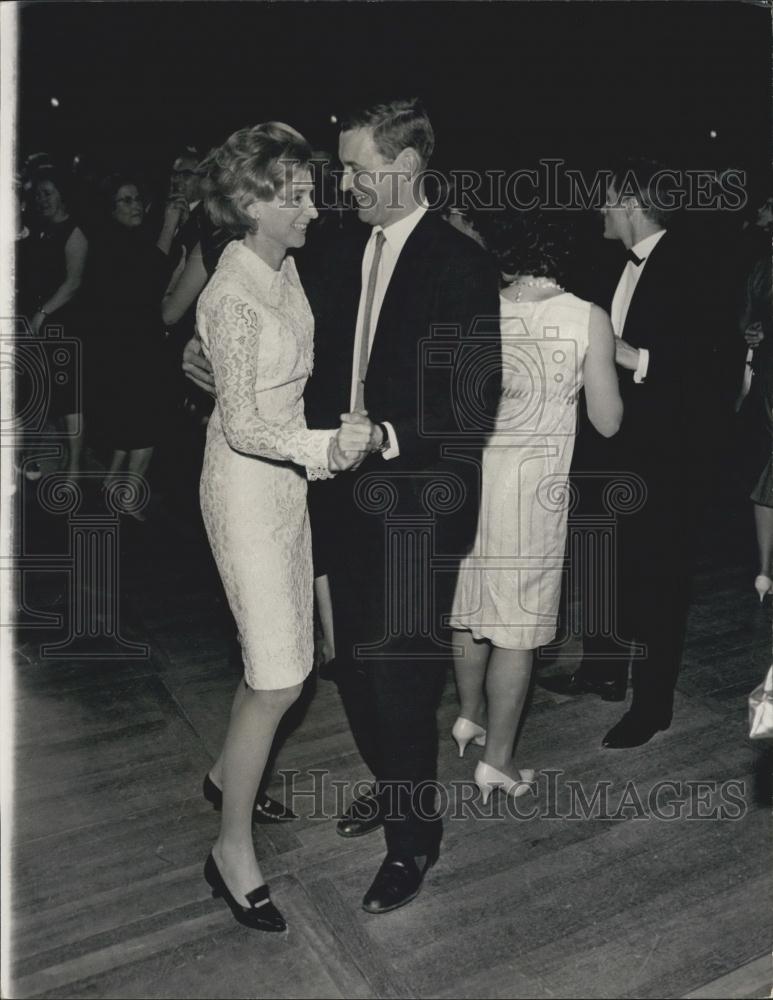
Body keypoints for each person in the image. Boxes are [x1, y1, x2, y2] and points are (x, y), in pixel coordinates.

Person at [184, 98, 501, 913]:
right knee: (354, 670)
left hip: (412, 505)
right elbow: (256, 323)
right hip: (324, 494)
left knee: (399, 677)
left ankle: (412, 839)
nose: (339, 186)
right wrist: (202, 351)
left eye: (356, 170)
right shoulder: (326, 246)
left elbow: (469, 402)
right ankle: (395, 782)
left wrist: (382, 435)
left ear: (401, 171)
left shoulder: (456, 263)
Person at [193, 122, 370, 933]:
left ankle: (226, 771)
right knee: (279, 675)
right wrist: (325, 446)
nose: (311, 207)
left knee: (280, 658)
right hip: (247, 485)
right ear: (253, 202)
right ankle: (230, 851)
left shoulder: (286, 268)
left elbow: (292, 379)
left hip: (288, 488)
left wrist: (319, 445)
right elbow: (242, 425)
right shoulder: (228, 292)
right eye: (295, 195)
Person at [541, 159, 716, 749]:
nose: (598, 211)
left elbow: (704, 370)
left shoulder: (694, 266)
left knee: (659, 581)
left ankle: (654, 705)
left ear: (631, 205)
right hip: (606, 445)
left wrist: (627, 355)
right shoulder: (608, 265)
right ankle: (603, 668)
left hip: (665, 459)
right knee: (602, 562)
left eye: (606, 201)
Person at [448, 209, 622, 799]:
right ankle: (497, 760)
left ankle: (468, 717)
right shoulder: (586, 317)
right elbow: (606, 419)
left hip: (471, 479)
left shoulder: (480, 304)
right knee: (517, 630)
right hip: (533, 490)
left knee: (471, 607)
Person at [84, 174, 184, 515]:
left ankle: (112, 486)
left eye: (138, 198)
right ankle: (128, 498)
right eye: (125, 200)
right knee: (146, 425)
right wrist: (170, 225)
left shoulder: (119, 239)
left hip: (127, 345)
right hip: (133, 347)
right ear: (110, 209)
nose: (135, 205)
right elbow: (150, 279)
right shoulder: (115, 244)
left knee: (128, 423)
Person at [24, 166, 89, 478]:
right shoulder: (41, 229)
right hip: (43, 320)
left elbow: (73, 283)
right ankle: (36, 456)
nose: (42, 199)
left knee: (69, 398)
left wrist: (42, 313)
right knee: (44, 391)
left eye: (48, 193)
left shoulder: (74, 231)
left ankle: (74, 467)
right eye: (38, 194)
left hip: (65, 322)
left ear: (63, 194)